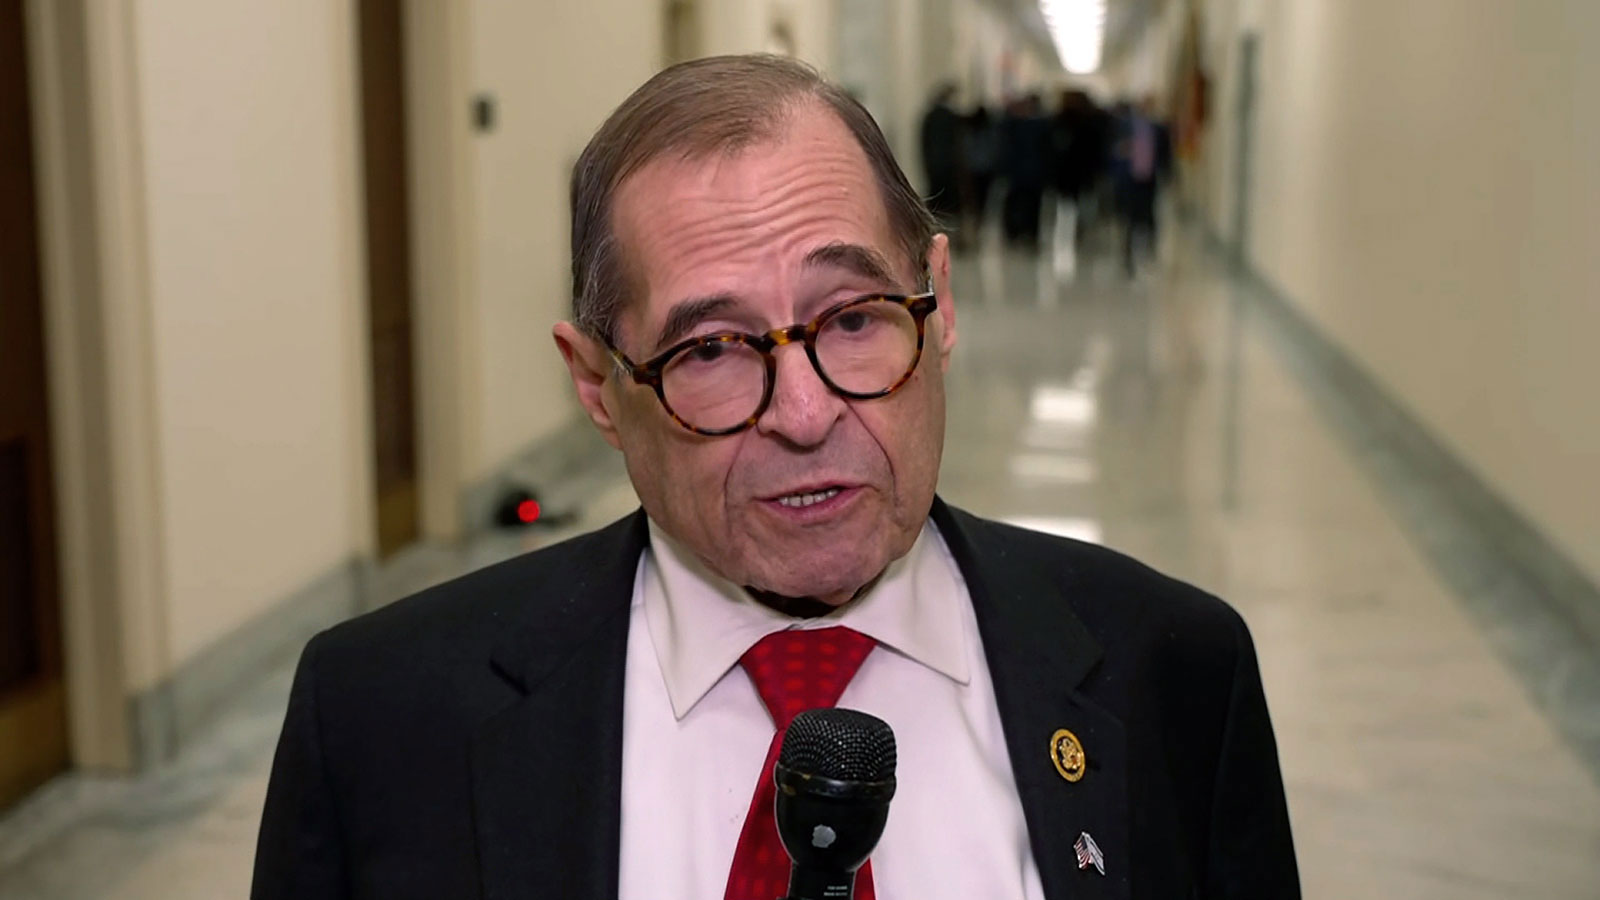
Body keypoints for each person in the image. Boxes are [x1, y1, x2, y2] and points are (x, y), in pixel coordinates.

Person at [252, 55, 1299, 900]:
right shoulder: (380, 724)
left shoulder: (1174, 676)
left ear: (937, 299)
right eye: (709, 351)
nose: (805, 416)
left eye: (852, 321)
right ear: (597, 385)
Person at [918, 83, 964, 232]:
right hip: (949, 165)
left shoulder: (930, 117)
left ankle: (936, 225)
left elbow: (924, 142)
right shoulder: (951, 117)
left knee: (936, 196)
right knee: (949, 198)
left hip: (934, 164)